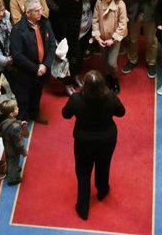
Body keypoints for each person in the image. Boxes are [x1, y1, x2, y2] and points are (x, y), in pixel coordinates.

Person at [62, 69, 127, 220]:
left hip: (84, 141)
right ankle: (102, 190)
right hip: (107, 139)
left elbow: (65, 114)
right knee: (103, 165)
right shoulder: (110, 97)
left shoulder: (76, 99)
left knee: (83, 172)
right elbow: (121, 112)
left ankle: (83, 207)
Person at [10, 0, 57, 123]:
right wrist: (36, 68)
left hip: (42, 69)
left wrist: (45, 65)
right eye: (36, 11)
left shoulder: (45, 23)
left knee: (37, 93)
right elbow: (17, 55)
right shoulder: (18, 29)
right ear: (28, 12)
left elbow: (52, 44)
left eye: (40, 9)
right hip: (26, 72)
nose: (40, 13)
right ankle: (22, 121)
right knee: (23, 99)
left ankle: (35, 113)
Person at [91, 0, 129, 91]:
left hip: (115, 38)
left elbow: (122, 25)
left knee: (112, 62)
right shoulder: (99, 2)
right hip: (102, 37)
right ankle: (108, 77)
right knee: (104, 59)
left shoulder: (120, 4)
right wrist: (97, 37)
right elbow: (95, 20)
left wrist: (113, 39)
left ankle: (114, 79)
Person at [0, 99, 28, 186]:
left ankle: (9, 170)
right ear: (11, 114)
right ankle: (12, 179)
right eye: (16, 108)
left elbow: (11, 123)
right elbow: (18, 142)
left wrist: (19, 123)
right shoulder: (15, 127)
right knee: (14, 162)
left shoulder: (3, 120)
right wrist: (23, 151)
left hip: (7, 145)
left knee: (9, 159)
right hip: (14, 149)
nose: (18, 108)